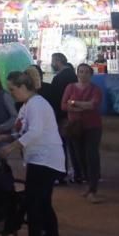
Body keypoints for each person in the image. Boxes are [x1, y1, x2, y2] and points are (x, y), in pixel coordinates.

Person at [2, 71, 66, 236]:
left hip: (44, 159)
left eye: (13, 89)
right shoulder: (28, 105)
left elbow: (35, 131)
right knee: (43, 204)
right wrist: (5, 138)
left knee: (34, 204)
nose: (11, 93)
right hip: (42, 159)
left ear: (23, 87)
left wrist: (11, 147)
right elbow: (23, 130)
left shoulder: (36, 104)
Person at [62, 63, 104, 203]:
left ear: (91, 74)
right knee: (80, 157)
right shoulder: (70, 87)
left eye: (86, 72)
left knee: (91, 155)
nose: (83, 74)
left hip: (92, 126)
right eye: (81, 71)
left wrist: (74, 104)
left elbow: (94, 104)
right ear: (77, 73)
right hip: (75, 127)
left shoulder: (95, 89)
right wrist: (83, 105)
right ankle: (88, 184)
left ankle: (93, 188)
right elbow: (63, 105)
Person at [47, 52, 78, 181]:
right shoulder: (72, 74)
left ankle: (62, 173)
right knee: (74, 145)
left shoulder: (60, 77)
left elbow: (55, 98)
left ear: (58, 61)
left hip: (62, 114)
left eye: (53, 61)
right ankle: (78, 173)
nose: (52, 64)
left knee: (63, 145)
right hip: (73, 114)